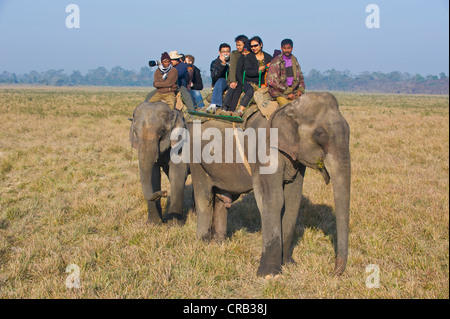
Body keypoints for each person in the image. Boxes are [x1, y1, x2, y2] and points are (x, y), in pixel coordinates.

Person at [234, 36, 272, 117]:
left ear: (261, 45)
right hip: (250, 82)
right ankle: (240, 110)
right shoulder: (249, 57)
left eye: (256, 45)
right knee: (250, 90)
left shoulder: (268, 57)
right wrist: (259, 70)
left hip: (264, 83)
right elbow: (248, 71)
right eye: (252, 46)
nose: (254, 48)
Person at [267, 38, 305, 107]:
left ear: (292, 48)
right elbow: (272, 81)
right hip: (279, 92)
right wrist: (287, 93)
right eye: (284, 48)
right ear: (281, 48)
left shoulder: (294, 61)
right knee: (288, 109)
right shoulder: (276, 62)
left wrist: (301, 90)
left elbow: (300, 77)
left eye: (288, 48)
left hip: (294, 90)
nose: (287, 50)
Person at [206, 43, 231, 114]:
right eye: (223, 52)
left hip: (231, 83)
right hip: (220, 84)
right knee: (221, 80)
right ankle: (214, 104)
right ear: (219, 52)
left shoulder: (232, 61)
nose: (226, 53)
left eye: (227, 51)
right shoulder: (215, 63)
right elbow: (214, 77)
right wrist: (222, 65)